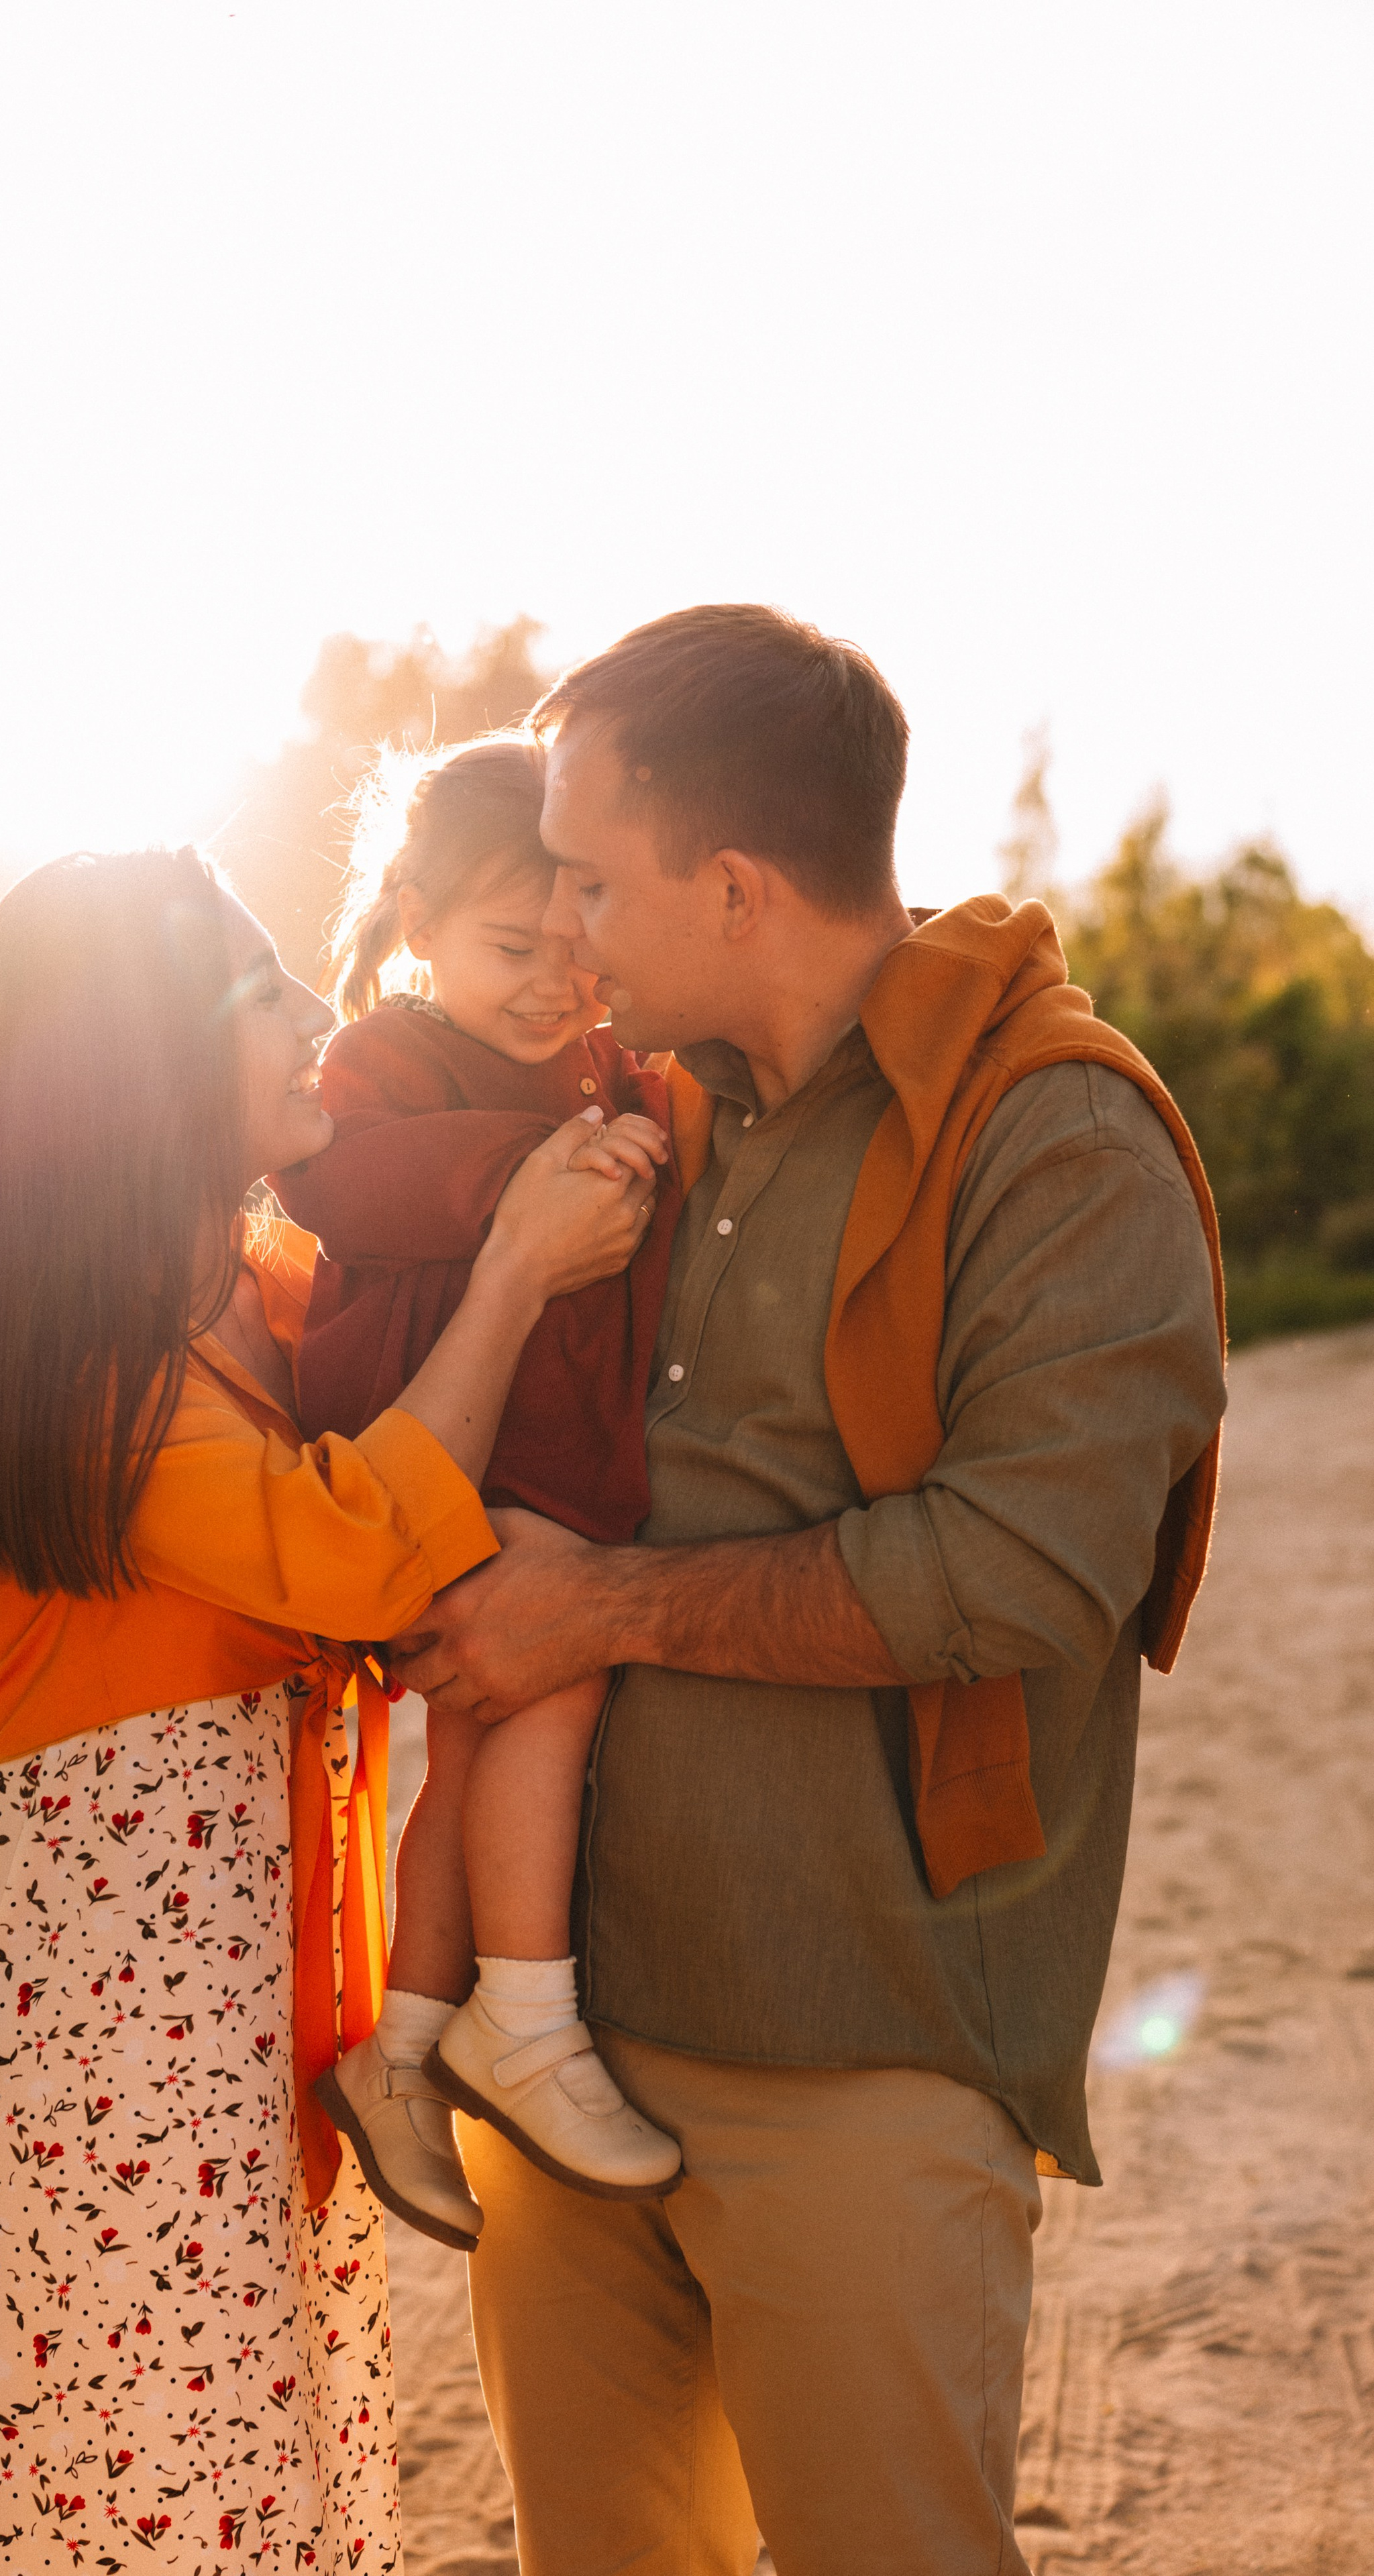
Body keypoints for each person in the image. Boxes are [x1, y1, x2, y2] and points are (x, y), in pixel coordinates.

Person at [390, 606, 1228, 2576]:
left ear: (735, 885)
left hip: (862, 2047)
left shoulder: (1057, 1133)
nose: (567, 925)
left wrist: (594, 1611)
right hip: (567, 2047)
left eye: (593, 880)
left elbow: (1018, 1573)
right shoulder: (645, 1110)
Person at [0, 847, 653, 2576]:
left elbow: (428, 1432)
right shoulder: (82, 1360)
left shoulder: (265, 1287)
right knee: (100, 2495)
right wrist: (519, 1267)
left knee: (194, 2480)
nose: (320, 1013)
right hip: (64, 2011)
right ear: (139, 1068)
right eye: (262, 995)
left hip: (205, 2005)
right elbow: (357, 1551)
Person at [272, 737, 686, 2253]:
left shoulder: (600, 1069)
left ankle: (396, 2055)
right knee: (551, 1697)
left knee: (485, 1741)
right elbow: (338, 1184)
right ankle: (526, 2014)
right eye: (513, 950)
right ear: (417, 921)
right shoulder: (383, 1062)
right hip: (432, 1438)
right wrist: (543, 1164)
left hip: (550, 1455)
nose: (550, 986)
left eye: (579, 956)